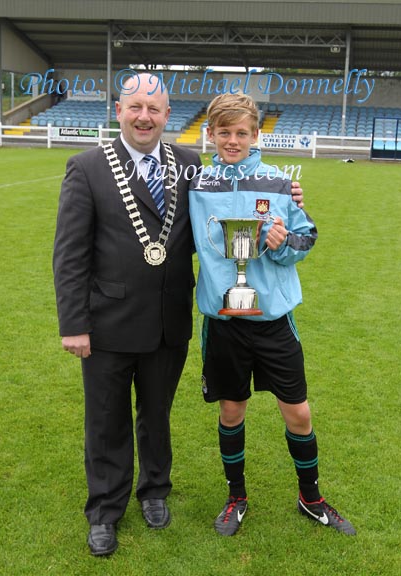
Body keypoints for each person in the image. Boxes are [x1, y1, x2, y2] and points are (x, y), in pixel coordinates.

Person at [53, 72, 304, 557]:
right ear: (120, 111)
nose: (144, 116)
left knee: (157, 414)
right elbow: (69, 254)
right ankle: (105, 510)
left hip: (169, 321)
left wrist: (287, 200)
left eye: (155, 109)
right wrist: (74, 324)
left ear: (168, 117)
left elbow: (234, 192)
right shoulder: (85, 167)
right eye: (135, 107)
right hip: (106, 322)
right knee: (105, 419)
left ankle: (154, 492)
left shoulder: (188, 165)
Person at [188, 92, 356, 538]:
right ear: (211, 134)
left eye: (241, 133)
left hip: (274, 323)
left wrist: (282, 248)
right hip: (223, 324)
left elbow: (308, 237)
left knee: (298, 413)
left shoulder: (279, 182)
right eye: (223, 132)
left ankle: (311, 497)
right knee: (231, 409)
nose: (232, 140)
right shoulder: (197, 186)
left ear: (256, 135)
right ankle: (236, 497)